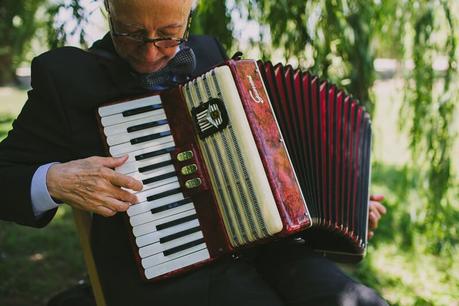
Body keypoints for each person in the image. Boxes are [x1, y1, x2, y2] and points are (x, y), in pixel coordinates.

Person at [0, 0, 388, 305]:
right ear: (109, 9)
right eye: (131, 33)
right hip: (165, 269)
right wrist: (52, 180)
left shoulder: (209, 54)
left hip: (265, 249)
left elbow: (269, 157)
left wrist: (345, 203)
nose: (151, 54)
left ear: (190, 11)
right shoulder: (65, 77)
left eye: (169, 34)